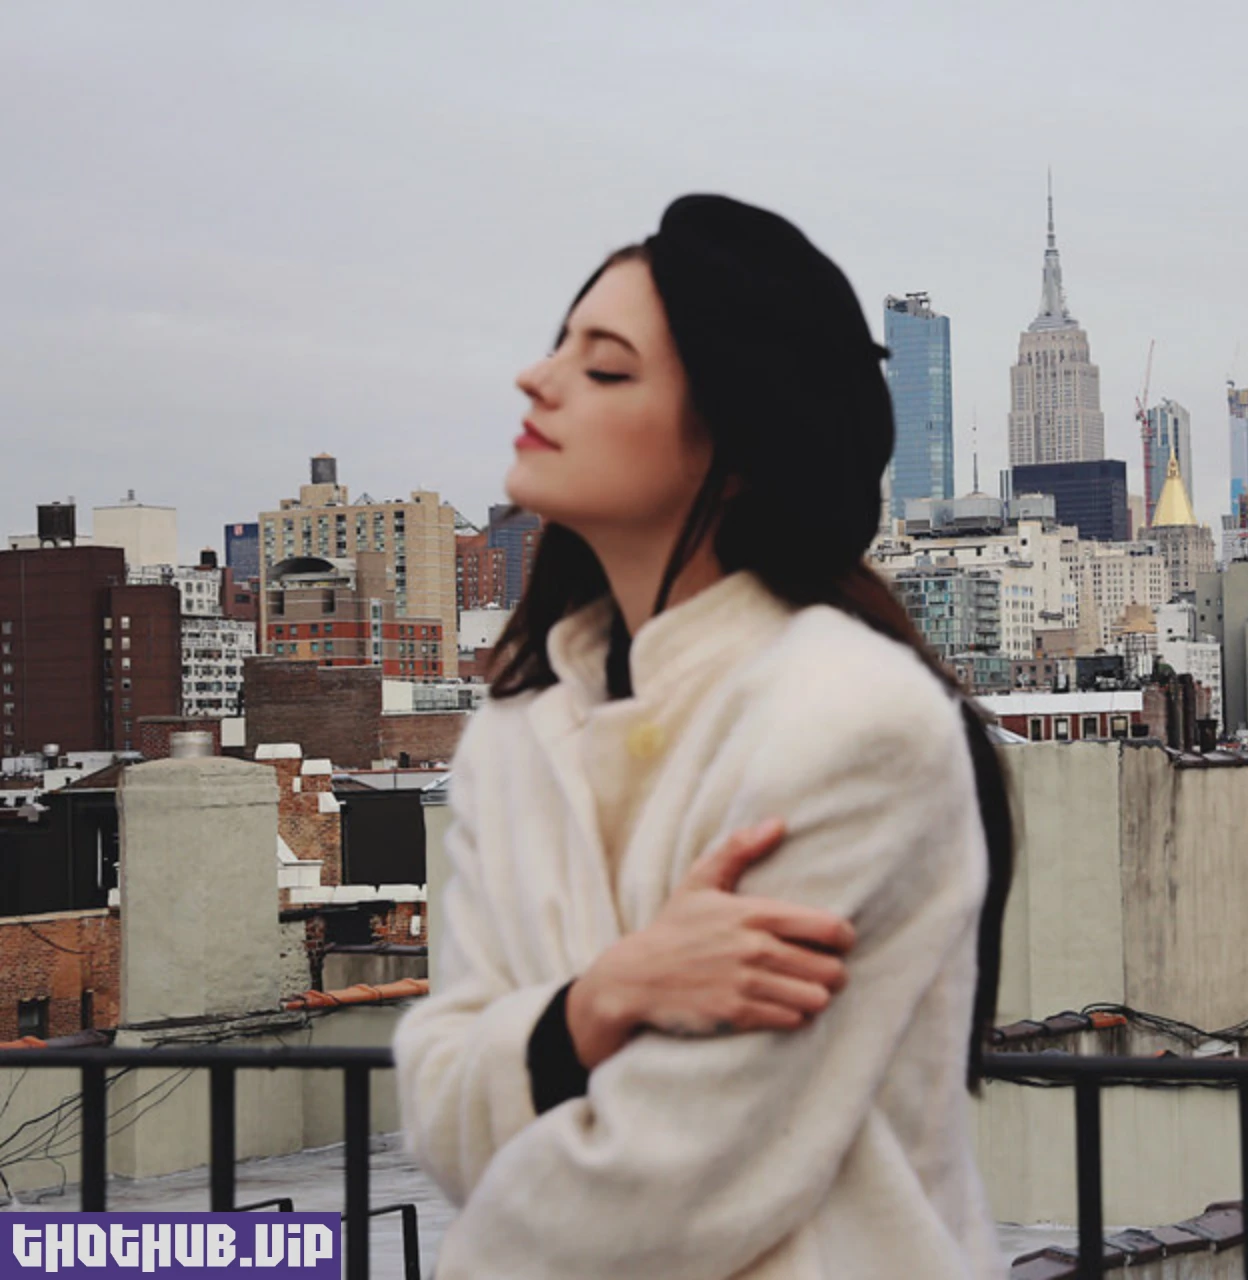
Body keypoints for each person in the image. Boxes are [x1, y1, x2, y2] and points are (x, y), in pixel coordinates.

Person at [393, 194, 1014, 1278]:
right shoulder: (517, 736)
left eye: (606, 368)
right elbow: (438, 1109)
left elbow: (667, 1178)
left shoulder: (852, 720)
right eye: (559, 347)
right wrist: (601, 1000)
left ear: (734, 445)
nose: (538, 380)